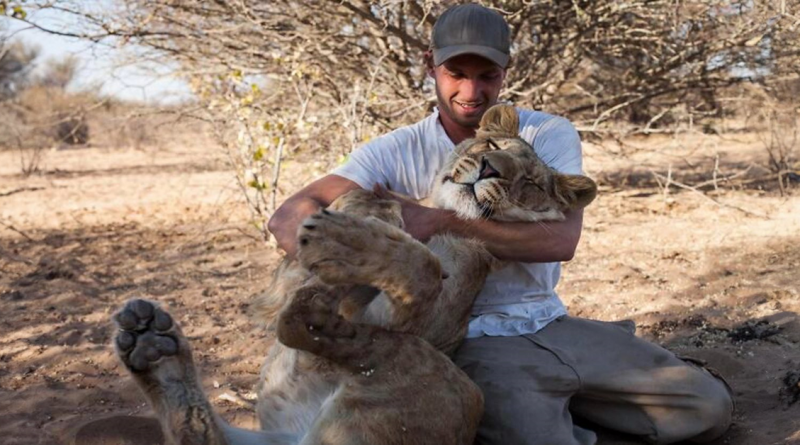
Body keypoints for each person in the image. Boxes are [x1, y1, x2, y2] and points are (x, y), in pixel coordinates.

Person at [267, 4, 733, 444]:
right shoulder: (394, 151)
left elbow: (561, 241)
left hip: (546, 320)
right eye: (457, 74)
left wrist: (436, 222)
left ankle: (578, 401)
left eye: (487, 76)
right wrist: (371, 250)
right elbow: (289, 217)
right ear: (430, 65)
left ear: (506, 70)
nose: (472, 93)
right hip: (473, 337)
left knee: (707, 410)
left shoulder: (544, 133)